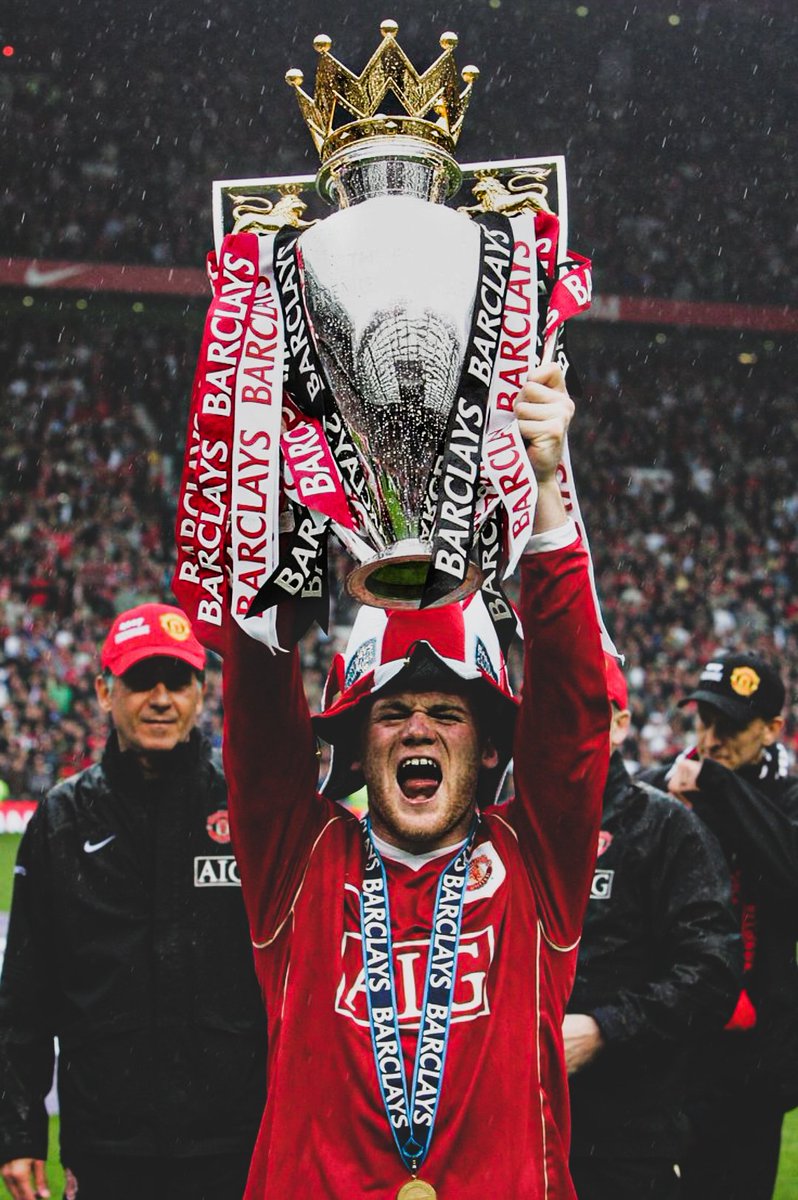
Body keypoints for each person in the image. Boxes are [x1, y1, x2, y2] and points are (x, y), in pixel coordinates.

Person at [220, 364, 610, 1199]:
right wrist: (266, 492)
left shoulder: (534, 864)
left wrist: (547, 486)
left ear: (492, 748)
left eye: (449, 711)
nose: (421, 728)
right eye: (392, 712)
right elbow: (255, 711)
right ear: (358, 749)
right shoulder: (302, 860)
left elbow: (575, 714)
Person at [0, 603, 267, 1200]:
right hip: (104, 1151)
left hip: (234, 1146)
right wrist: (19, 1134)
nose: (161, 698)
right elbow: (25, 994)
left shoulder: (249, 808)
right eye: (141, 681)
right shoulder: (62, 820)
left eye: (178, 682)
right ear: (103, 691)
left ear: (202, 693)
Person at [565, 654, 741, 1200]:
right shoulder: (510, 826)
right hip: (519, 1125)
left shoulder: (667, 829)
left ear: (621, 722)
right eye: (554, 707)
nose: (568, 722)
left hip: (629, 1139)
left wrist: (604, 1028)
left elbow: (712, 973)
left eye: (588, 708)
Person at [643, 651, 798, 1200]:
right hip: (675, 1053)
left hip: (754, 1072)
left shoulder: (786, 797)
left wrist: (719, 787)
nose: (711, 741)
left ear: (773, 729)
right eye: (705, 722)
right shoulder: (667, 788)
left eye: (730, 727)